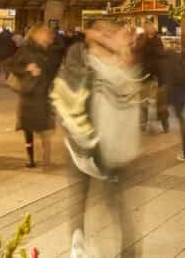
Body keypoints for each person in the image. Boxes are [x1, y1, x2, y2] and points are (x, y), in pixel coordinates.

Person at [51, 20, 142, 258]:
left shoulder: (121, 63)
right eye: (100, 30)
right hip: (82, 145)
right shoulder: (79, 58)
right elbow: (63, 96)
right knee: (80, 194)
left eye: (110, 31)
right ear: (89, 34)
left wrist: (124, 54)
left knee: (117, 202)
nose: (106, 34)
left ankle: (128, 252)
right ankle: (77, 241)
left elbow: (132, 99)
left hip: (114, 148)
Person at [10, 23, 58, 168]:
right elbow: (13, 66)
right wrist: (27, 69)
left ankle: (46, 157)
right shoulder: (25, 49)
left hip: (45, 93)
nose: (48, 36)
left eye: (49, 34)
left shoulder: (50, 51)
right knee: (28, 129)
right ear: (35, 34)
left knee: (46, 127)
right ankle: (30, 157)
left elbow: (53, 70)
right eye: (44, 33)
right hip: (30, 93)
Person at [139, 23, 169, 132]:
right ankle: (143, 123)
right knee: (143, 100)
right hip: (146, 74)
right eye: (145, 28)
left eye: (147, 28)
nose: (146, 29)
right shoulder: (143, 40)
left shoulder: (157, 40)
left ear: (152, 29)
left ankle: (165, 123)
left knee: (161, 101)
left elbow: (160, 54)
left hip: (158, 74)